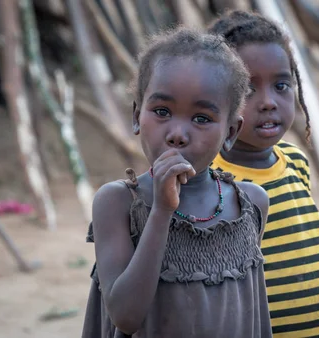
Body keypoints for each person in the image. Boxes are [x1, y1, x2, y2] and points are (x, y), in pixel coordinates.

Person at [82, 27, 274, 338]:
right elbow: (126, 316)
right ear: (136, 116)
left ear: (230, 132)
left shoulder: (249, 205)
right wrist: (160, 212)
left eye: (201, 118)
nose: (177, 134)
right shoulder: (117, 203)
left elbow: (255, 315)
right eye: (161, 111)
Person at [208, 11, 319, 338]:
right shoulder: (209, 183)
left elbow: (293, 235)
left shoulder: (294, 162)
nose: (268, 102)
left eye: (282, 85)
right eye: (248, 89)